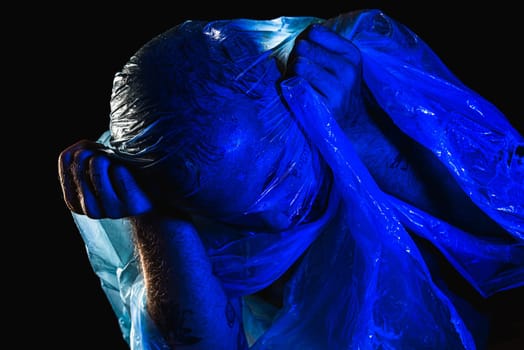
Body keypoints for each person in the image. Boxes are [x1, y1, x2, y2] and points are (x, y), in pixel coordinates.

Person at [58, 8, 523, 350]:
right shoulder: (177, 198)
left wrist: (356, 124)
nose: (279, 214)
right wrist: (153, 214)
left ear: (293, 97)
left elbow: (506, 230)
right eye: (238, 213)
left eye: (279, 175)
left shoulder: (352, 72)